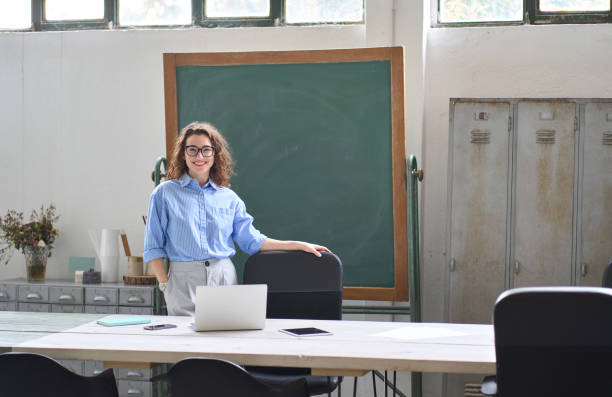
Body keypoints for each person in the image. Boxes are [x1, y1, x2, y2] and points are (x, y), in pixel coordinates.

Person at [144, 121, 330, 316]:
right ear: (183, 153)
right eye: (192, 149)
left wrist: (297, 245)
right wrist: (165, 285)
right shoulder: (164, 194)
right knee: (187, 343)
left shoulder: (229, 198)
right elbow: (153, 247)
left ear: (215, 155)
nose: (199, 156)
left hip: (224, 278)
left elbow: (252, 241)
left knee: (227, 341)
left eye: (206, 150)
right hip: (183, 283)